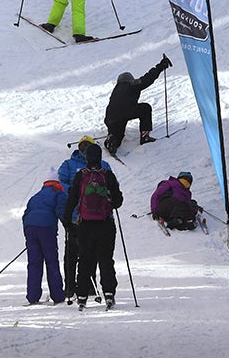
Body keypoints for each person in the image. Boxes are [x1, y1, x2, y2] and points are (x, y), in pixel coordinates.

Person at [62, 142, 123, 309]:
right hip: (106, 224)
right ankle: (109, 292)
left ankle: (81, 295)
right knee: (106, 259)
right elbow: (118, 201)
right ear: (100, 157)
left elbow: (73, 198)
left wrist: (68, 220)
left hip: (85, 225)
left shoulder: (81, 175)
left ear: (87, 158)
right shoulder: (108, 175)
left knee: (85, 259)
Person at [104, 55, 172, 155]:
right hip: (125, 112)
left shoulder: (116, 89)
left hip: (111, 117)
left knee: (117, 135)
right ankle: (145, 137)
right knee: (145, 108)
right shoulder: (130, 84)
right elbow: (146, 79)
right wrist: (160, 67)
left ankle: (112, 140)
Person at [22, 173, 67, 305]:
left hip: (30, 228)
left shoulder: (36, 196)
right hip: (46, 228)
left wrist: (28, 232)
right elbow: (61, 211)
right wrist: (69, 225)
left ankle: (32, 296)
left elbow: (26, 214)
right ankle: (57, 295)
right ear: (57, 182)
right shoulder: (59, 193)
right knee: (51, 261)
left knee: (34, 263)